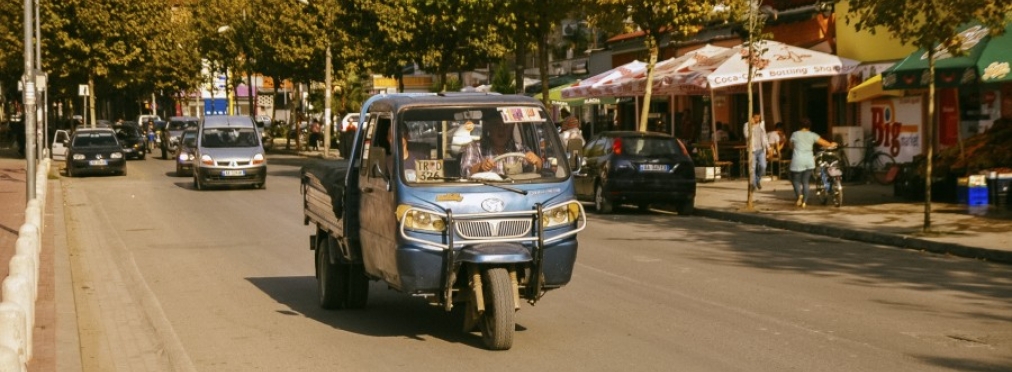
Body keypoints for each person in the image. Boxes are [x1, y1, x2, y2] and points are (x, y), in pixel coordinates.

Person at [460, 117, 542, 178]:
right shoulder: (475, 147)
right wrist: (480, 167)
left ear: (511, 128)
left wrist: (537, 161)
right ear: (489, 127)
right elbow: (465, 172)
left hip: (516, 195)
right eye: (497, 125)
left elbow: (538, 168)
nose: (501, 131)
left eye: (506, 126)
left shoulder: (519, 148)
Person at [788, 118, 837, 208]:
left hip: (797, 160)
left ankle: (799, 195)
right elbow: (825, 143)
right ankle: (804, 202)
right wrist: (832, 144)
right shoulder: (812, 135)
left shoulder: (795, 134)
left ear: (799, 126)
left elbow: (791, 146)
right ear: (809, 127)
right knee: (805, 182)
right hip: (809, 161)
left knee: (795, 180)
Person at [742, 113, 770, 190]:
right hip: (752, 150)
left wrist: (768, 147)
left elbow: (765, 136)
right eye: (756, 118)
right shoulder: (747, 125)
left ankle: (757, 179)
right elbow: (746, 135)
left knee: (763, 166)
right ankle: (753, 185)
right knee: (753, 168)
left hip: (761, 149)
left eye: (759, 118)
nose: (757, 119)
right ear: (752, 118)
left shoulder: (761, 125)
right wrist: (752, 126)